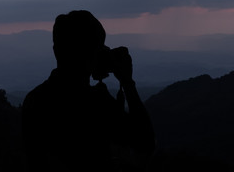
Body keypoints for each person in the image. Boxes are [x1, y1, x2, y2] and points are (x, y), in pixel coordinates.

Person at [22, 10, 155, 172]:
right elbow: (145, 141)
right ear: (94, 54)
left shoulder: (35, 99)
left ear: (56, 50)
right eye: (99, 48)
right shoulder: (96, 103)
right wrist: (127, 83)